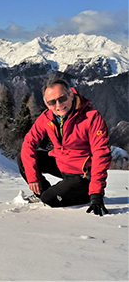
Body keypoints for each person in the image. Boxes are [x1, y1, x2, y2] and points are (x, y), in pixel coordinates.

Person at [18, 76, 111, 216]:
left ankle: (82, 194)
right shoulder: (47, 117)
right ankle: (44, 193)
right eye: (52, 102)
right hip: (62, 164)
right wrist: (33, 178)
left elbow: (101, 154)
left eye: (62, 98)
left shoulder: (91, 117)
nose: (58, 105)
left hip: (82, 173)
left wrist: (96, 193)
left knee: (48, 199)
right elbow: (28, 143)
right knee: (23, 159)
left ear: (71, 95)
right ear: (46, 104)